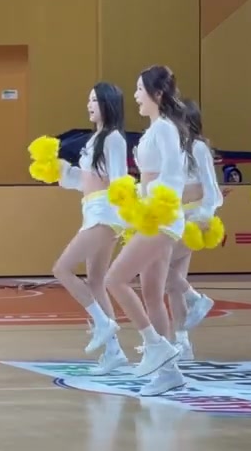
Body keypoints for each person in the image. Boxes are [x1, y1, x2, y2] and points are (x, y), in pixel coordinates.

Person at [103, 65, 192, 396]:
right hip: (152, 214)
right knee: (153, 294)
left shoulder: (165, 129)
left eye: (140, 89)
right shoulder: (155, 128)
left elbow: (174, 176)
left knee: (114, 279)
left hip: (161, 217)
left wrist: (148, 197)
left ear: (157, 94)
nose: (136, 95)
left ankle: (155, 344)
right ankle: (170, 373)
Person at [54, 82, 129, 375]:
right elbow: (84, 182)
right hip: (92, 209)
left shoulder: (113, 138)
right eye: (88, 100)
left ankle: (102, 323)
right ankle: (114, 352)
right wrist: (62, 171)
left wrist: (124, 216)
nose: (89, 105)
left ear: (108, 103)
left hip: (105, 213)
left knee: (62, 269)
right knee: (95, 280)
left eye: (95, 100)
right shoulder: (95, 139)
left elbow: (119, 180)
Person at [165, 99, 221, 360]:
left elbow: (212, 191)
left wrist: (202, 218)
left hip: (193, 221)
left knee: (155, 263)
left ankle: (196, 298)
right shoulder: (172, 148)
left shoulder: (198, 148)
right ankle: (182, 342)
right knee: (172, 283)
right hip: (174, 218)